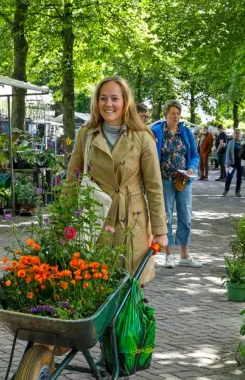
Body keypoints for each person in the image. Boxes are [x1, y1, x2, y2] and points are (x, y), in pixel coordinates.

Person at [66, 76, 169, 285]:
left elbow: (154, 187)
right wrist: (65, 222)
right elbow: (72, 180)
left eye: (114, 98)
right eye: (103, 98)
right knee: (93, 284)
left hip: (132, 219)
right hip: (95, 218)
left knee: (130, 286)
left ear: (125, 102)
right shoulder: (86, 134)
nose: (108, 104)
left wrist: (160, 231)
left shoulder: (142, 136)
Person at [150, 101, 202, 269]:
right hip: (164, 180)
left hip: (184, 180)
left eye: (178, 114)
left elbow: (194, 155)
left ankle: (184, 255)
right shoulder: (157, 132)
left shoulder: (185, 132)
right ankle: (169, 255)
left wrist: (191, 167)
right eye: (172, 113)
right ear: (166, 114)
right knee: (166, 217)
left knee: (185, 217)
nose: (176, 117)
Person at [223, 129, 244, 197]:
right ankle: (226, 190)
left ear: (241, 134)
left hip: (241, 163)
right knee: (229, 176)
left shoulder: (243, 142)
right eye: (236, 133)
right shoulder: (231, 142)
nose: (237, 135)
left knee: (239, 178)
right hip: (232, 162)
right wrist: (228, 162)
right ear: (234, 134)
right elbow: (228, 153)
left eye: (239, 133)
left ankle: (237, 191)